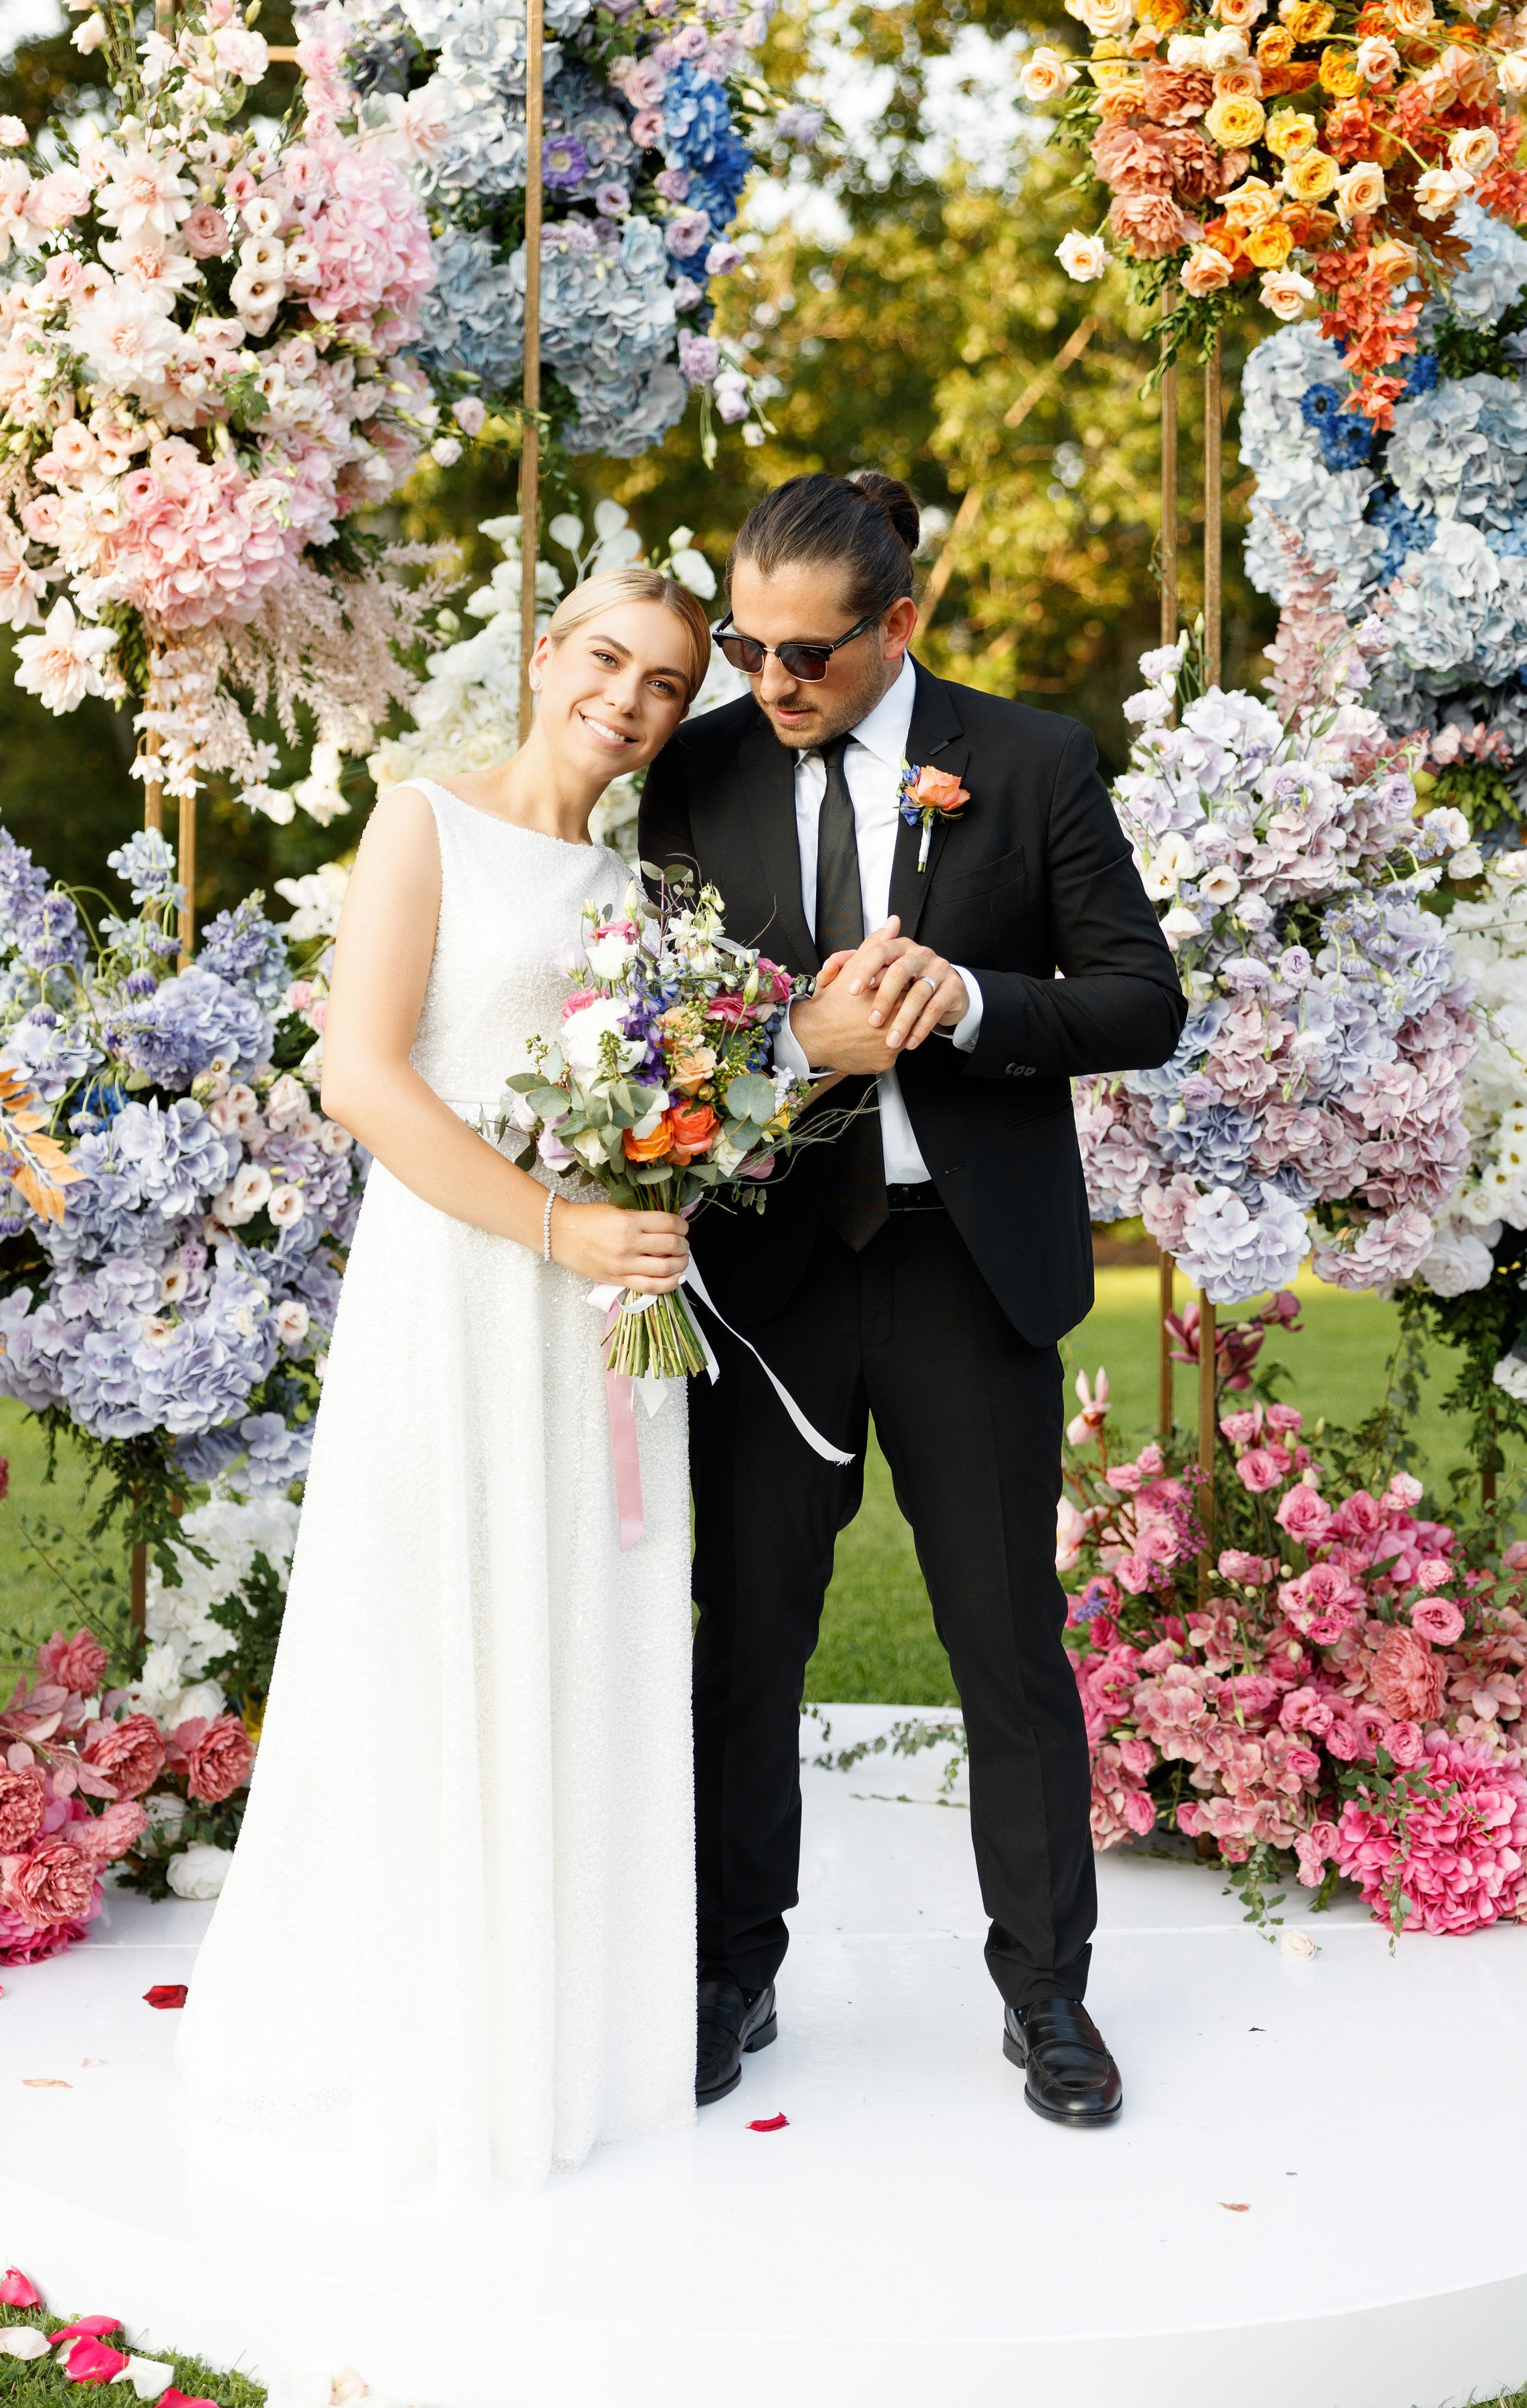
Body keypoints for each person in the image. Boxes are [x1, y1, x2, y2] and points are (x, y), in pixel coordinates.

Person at [637, 472, 1187, 2129]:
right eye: (744, 643)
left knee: (1007, 1647)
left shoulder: (1029, 759)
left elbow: (1139, 1001)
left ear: (901, 625)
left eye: (807, 650)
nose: (770, 678)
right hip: (768, 1270)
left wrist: (970, 1001)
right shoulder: (699, 770)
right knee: (748, 1646)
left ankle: (1048, 1996)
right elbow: (647, 1022)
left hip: (970, 1260)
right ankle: (734, 1971)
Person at [175, 567, 712, 2192]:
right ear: (548, 655)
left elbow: (665, 1093)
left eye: (666, 685)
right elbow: (357, 1076)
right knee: (431, 1618)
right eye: (606, 659)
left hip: (598, 1314)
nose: (625, 698)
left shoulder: (648, 893)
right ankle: (413, 2028)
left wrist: (665, 1184)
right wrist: (555, 1224)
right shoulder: (426, 821)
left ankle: (571, 2027)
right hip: (462, 1285)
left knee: (582, 1622)